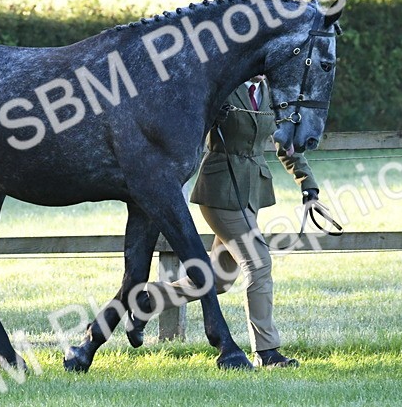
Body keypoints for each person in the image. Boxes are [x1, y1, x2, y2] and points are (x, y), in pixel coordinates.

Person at [127, 74, 332, 367]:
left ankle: (148, 300)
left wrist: (307, 183)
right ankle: (267, 351)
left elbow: (285, 143)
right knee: (259, 264)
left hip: (252, 191)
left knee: (220, 278)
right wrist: (211, 115)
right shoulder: (221, 84)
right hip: (220, 191)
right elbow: (186, 125)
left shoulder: (272, 93)